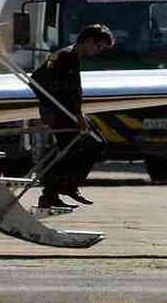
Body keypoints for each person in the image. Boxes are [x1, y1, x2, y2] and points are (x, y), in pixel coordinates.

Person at [31, 24, 115, 208]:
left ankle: (60, 190)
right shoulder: (65, 56)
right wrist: (50, 105)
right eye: (98, 46)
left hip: (69, 113)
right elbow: (36, 80)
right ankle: (60, 188)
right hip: (62, 114)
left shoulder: (70, 56)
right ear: (88, 41)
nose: (98, 51)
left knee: (90, 145)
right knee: (84, 147)